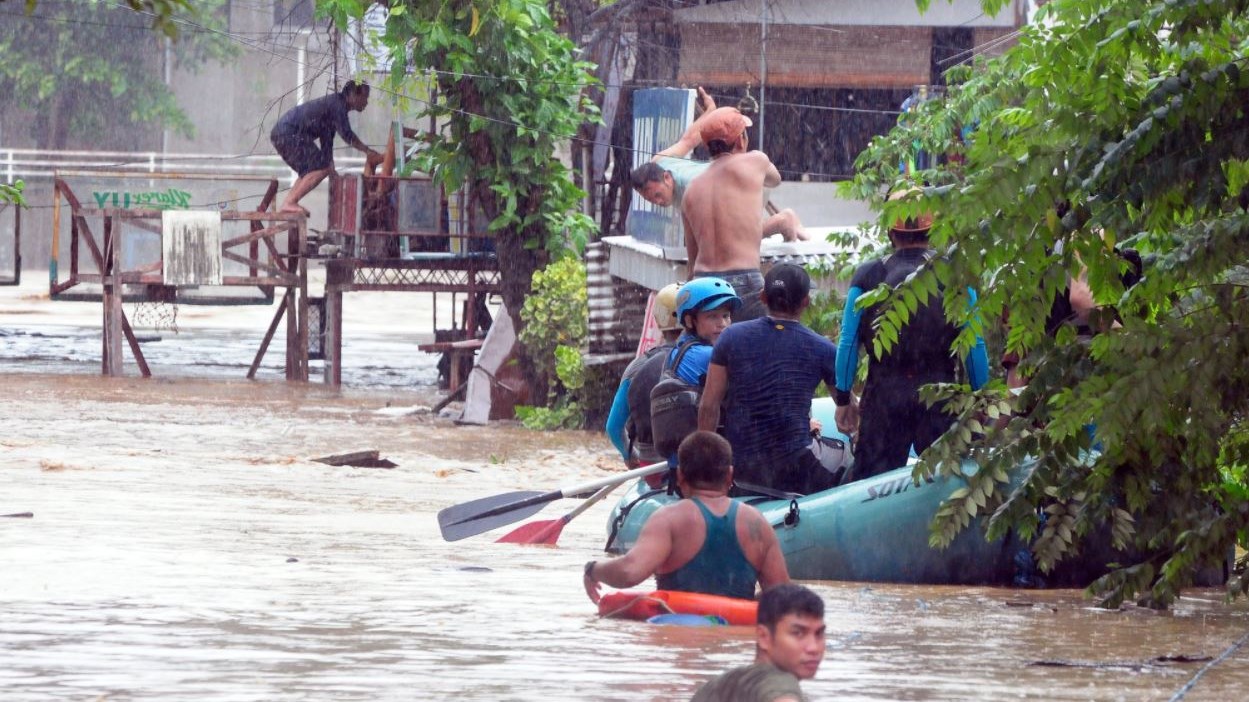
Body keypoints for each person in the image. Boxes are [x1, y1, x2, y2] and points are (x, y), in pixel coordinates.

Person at [834, 187, 990, 481]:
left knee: (871, 490)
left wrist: (844, 399)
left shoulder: (868, 277)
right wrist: (983, 400)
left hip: (884, 397)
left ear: (890, 232)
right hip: (940, 395)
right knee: (947, 486)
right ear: (932, 230)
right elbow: (975, 344)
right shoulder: (956, 274)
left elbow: (848, 343)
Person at [582, 431, 789, 603]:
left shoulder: (668, 519)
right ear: (729, 475)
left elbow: (630, 572)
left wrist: (593, 570)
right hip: (736, 645)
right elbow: (783, 597)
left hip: (679, 641)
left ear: (680, 476)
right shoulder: (757, 523)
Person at [698, 263, 844, 495]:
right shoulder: (824, 349)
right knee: (845, 463)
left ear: (762, 297)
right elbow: (847, 414)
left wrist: (706, 467)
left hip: (744, 469)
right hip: (796, 471)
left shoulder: (730, 337)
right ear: (806, 301)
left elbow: (709, 405)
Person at [630, 88, 807, 244]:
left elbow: (773, 180)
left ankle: (783, 221)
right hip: (735, 173)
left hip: (742, 183)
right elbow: (689, 140)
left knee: (734, 240)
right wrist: (709, 112)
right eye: (651, 200)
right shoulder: (658, 162)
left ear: (667, 177)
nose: (658, 202)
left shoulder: (693, 190)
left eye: (658, 195)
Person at [679, 106, 787, 323]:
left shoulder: (691, 190)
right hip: (744, 279)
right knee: (754, 354)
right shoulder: (755, 161)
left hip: (703, 283)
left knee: (712, 354)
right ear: (741, 139)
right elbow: (775, 179)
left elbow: (692, 261)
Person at [649, 277, 741, 463]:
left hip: (680, 459)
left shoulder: (678, 350)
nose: (722, 323)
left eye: (725, 316)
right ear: (690, 321)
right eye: (712, 316)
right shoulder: (706, 355)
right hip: (699, 461)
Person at [689, 583, 826, 702]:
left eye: (819, 634)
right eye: (798, 633)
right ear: (763, 637)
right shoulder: (781, 684)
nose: (814, 648)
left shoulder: (714, 688)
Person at [269, 80, 382, 215]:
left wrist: (332, 171)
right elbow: (347, 135)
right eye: (365, 97)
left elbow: (327, 142)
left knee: (311, 171)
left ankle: (288, 203)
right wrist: (368, 151)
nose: (366, 102)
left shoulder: (333, 107)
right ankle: (290, 202)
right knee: (319, 169)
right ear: (352, 94)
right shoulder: (338, 105)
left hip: (282, 133)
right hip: (288, 133)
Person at [605, 283, 683, 469]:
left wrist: (630, 455)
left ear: (658, 320)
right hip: (697, 466)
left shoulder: (637, 366)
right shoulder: (711, 358)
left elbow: (614, 428)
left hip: (650, 465)